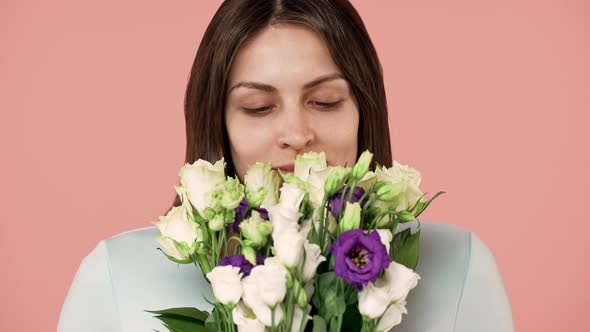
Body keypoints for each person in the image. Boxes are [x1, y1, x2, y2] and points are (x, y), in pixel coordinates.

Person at [57, 1, 514, 331]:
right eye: (258, 107)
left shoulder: (459, 266)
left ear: (363, 113)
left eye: (325, 101)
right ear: (217, 125)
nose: (296, 134)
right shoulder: (115, 277)